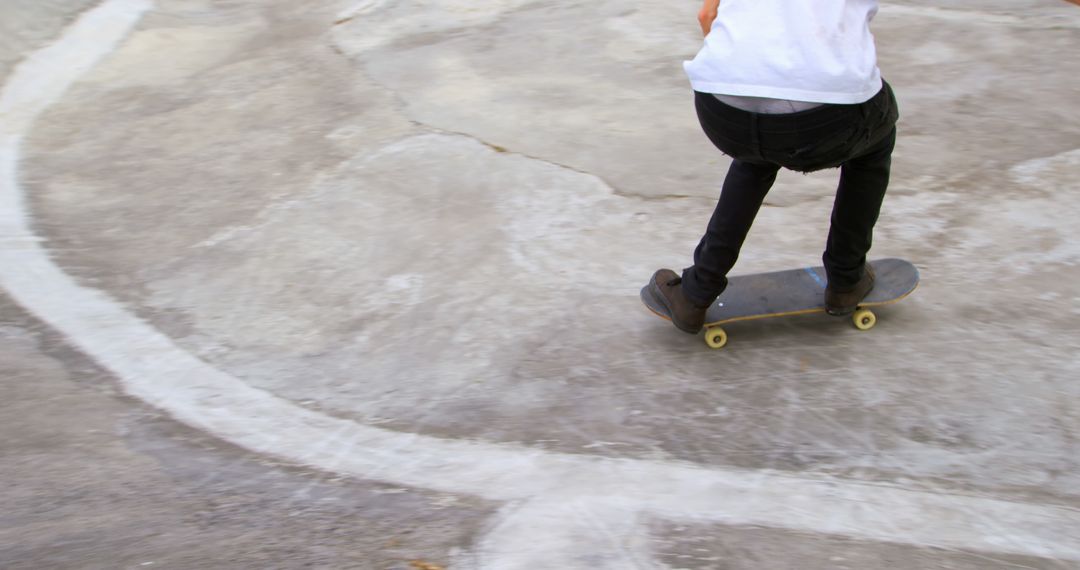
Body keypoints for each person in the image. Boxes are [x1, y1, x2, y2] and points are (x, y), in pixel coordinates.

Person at [645, 0, 900, 334]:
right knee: (874, 140)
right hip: (824, 119)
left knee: (756, 153)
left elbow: (706, 15)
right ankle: (846, 280)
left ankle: (696, 293)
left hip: (721, 107)